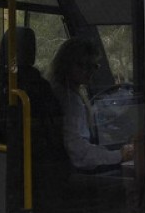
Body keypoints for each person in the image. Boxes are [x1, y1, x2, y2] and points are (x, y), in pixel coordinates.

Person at [48, 37, 133, 172]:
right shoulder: (70, 101)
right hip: (73, 173)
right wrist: (118, 155)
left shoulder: (59, 91)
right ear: (66, 64)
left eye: (93, 66)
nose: (88, 71)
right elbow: (78, 152)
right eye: (82, 65)